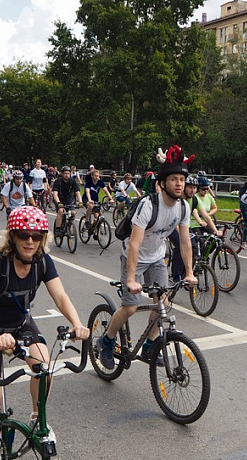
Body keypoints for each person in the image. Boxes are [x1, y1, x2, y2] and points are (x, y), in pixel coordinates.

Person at [0, 206, 89, 459]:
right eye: (23, 235)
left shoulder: (42, 261)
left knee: (45, 367)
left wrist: (78, 323)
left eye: (36, 235)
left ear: (43, 237)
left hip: (21, 325)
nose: (30, 241)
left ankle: (36, 418)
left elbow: (60, 296)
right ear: (12, 236)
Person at [96, 146, 197, 370]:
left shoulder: (183, 207)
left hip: (156, 258)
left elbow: (184, 242)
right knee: (130, 307)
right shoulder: (149, 205)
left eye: (182, 179)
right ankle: (106, 340)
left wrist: (189, 272)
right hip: (134, 257)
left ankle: (149, 345)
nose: (179, 184)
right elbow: (134, 243)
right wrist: (132, 279)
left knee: (163, 304)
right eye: (174, 179)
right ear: (162, 183)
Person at [52, 166, 82, 233]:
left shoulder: (72, 181)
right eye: (65, 173)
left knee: (73, 212)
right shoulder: (58, 181)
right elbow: (55, 194)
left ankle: (70, 224)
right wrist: (58, 202)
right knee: (61, 210)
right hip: (59, 199)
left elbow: (77, 192)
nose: (67, 175)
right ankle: (58, 228)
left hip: (69, 199)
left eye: (68, 173)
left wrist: (80, 201)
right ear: (62, 174)